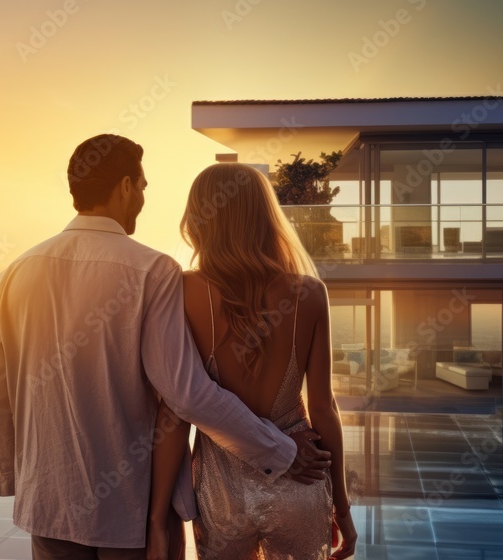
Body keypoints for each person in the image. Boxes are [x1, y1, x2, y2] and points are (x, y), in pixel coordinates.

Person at [0, 135, 331, 559]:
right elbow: (184, 392)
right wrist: (281, 450)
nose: (144, 197)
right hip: (132, 504)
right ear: (126, 186)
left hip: (48, 501)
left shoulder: (13, 275)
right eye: (143, 186)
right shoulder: (152, 271)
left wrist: (13, 478)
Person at [147, 163, 358, 559]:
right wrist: (342, 509)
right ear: (265, 215)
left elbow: (175, 411)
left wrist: (159, 518)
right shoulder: (310, 293)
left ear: (201, 217)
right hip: (302, 481)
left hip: (221, 493)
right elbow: (324, 407)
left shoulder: (185, 291)